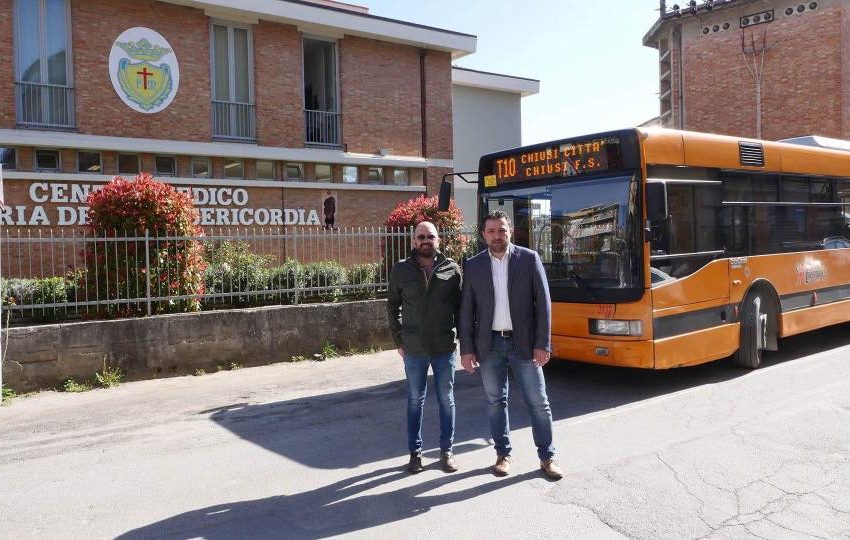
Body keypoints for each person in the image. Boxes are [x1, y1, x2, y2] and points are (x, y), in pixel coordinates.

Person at [459, 210, 563, 480]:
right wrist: (467, 348)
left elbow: (543, 305)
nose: (497, 235)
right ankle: (503, 454)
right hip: (489, 344)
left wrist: (543, 343)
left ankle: (547, 457)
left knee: (539, 403)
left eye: (501, 230)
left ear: (510, 231)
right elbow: (466, 310)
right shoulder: (473, 265)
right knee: (496, 402)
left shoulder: (528, 259)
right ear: (483, 235)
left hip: (524, 344)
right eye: (491, 231)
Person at [387, 221, 462, 473]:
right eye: (421, 236)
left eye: (430, 236)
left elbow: (460, 308)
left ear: (438, 240)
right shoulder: (401, 269)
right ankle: (415, 453)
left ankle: (446, 451)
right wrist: (399, 340)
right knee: (415, 400)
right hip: (415, 349)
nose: (425, 240)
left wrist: (464, 340)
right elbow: (392, 306)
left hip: (444, 348)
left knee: (446, 400)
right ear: (413, 241)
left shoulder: (452, 268)